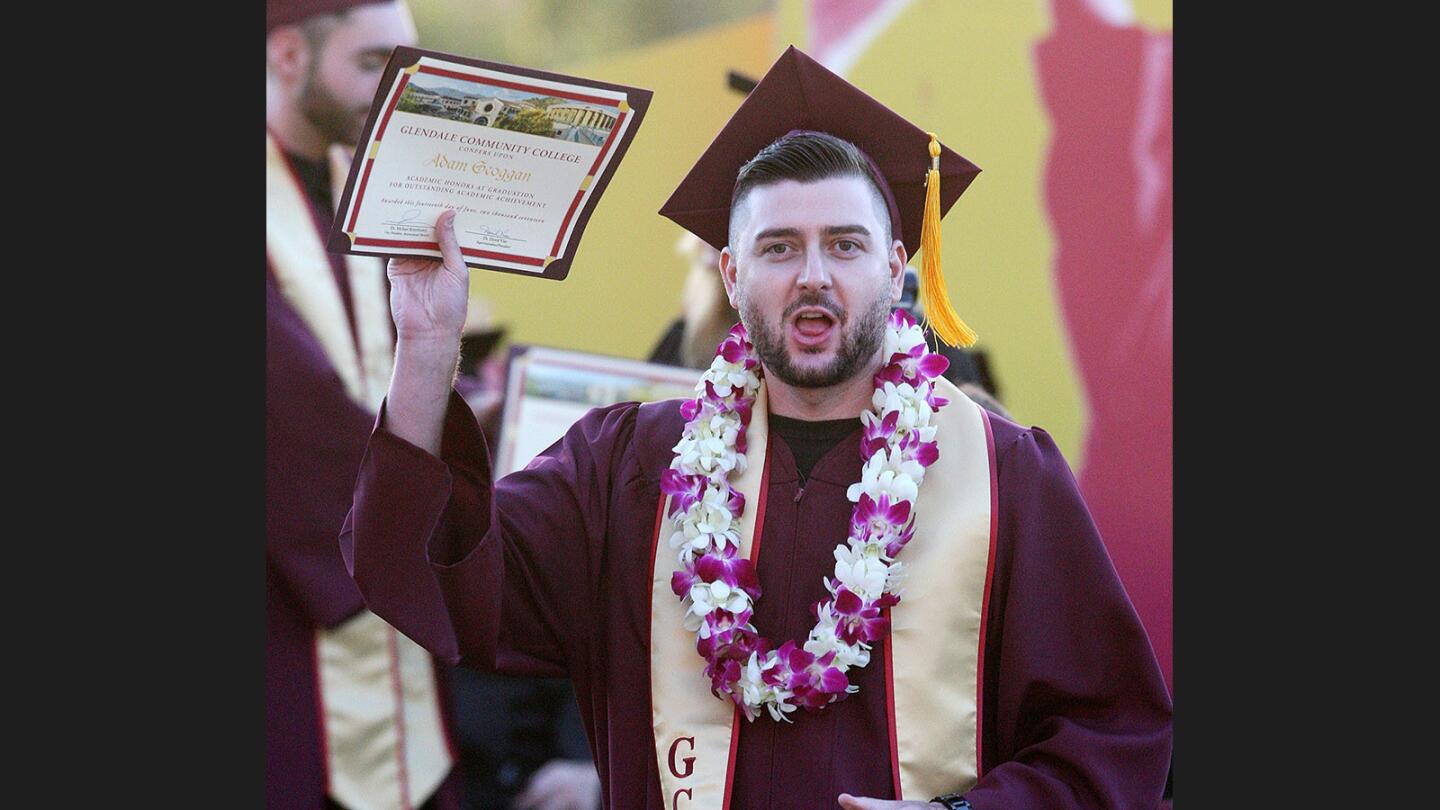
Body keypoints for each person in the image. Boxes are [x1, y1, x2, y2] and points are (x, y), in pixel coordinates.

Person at [341, 46, 1171, 809]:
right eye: (778, 249)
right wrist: (425, 344)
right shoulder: (629, 466)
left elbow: (1109, 737)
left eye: (845, 245)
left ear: (895, 265)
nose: (813, 277)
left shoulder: (1001, 473)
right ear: (732, 275)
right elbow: (432, 571)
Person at [265, 2, 461, 807]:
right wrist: (446, 489)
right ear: (285, 57)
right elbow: (285, 415)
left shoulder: (366, 193)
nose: (396, 93)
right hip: (283, 616)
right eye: (374, 64)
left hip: (382, 632)